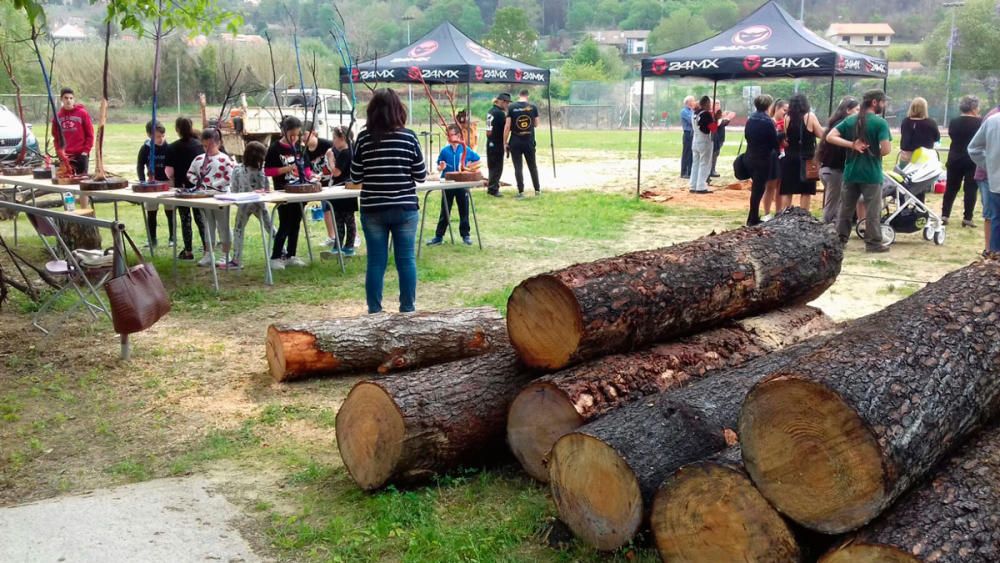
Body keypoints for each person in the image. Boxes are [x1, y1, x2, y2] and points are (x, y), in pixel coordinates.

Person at [349, 89, 427, 313]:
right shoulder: (409, 137)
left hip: (373, 208)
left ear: (372, 112)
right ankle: (407, 308)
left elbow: (355, 177)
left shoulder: (363, 139)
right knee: (406, 260)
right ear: (398, 110)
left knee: (375, 262)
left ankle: (375, 311)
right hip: (404, 208)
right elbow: (420, 175)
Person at [827, 89, 892, 253]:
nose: (884, 106)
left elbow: (830, 136)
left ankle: (840, 241)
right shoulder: (880, 123)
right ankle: (873, 243)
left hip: (851, 171)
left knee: (845, 209)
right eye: (883, 102)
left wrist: (852, 144)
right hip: (871, 173)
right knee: (872, 210)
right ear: (875, 102)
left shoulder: (851, 120)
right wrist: (873, 150)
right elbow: (886, 150)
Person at [265, 116, 311, 270]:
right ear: (284, 131)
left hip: (299, 191)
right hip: (283, 191)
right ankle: (276, 256)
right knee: (285, 223)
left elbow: (307, 168)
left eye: (297, 135)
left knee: (296, 222)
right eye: (292, 135)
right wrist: (287, 169)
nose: (294, 138)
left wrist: (309, 176)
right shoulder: (274, 148)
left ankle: (291, 254)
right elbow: (268, 171)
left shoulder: (299, 147)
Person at [186, 127, 236, 268]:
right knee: (208, 225)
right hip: (204, 197)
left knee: (223, 226)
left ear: (218, 143)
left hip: (221, 198)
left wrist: (214, 184)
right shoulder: (199, 159)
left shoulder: (225, 159)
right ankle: (209, 254)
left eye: (211, 145)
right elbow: (190, 173)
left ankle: (226, 255)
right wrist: (198, 183)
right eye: (205, 146)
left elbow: (230, 176)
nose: (208, 149)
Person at [428, 124, 480, 247]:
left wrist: (468, 166)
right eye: (448, 135)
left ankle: (465, 235)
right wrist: (441, 167)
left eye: (452, 135)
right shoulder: (445, 151)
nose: (449, 137)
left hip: (461, 184)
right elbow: (439, 166)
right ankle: (439, 236)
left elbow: (477, 160)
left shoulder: (465, 149)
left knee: (464, 209)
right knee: (445, 210)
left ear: (458, 136)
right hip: (448, 184)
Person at [164, 117, 208, 261]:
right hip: (198, 186)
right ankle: (207, 248)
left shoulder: (172, 147)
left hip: (182, 187)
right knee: (200, 218)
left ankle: (188, 250)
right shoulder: (200, 145)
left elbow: (169, 172)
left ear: (177, 129)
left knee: (185, 219)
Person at [228, 141, 272, 270]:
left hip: (243, 204)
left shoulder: (237, 170)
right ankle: (282, 251)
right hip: (259, 204)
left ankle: (236, 259)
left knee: (238, 230)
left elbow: (234, 189)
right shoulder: (262, 172)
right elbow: (267, 189)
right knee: (270, 227)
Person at [817, 97, 860, 223]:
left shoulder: (835, 124)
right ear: (848, 110)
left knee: (835, 201)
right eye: (857, 109)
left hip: (827, 169)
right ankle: (826, 227)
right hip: (835, 170)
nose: (859, 113)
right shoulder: (844, 126)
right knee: (833, 204)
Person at [941, 96, 982, 228]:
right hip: (972, 159)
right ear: (974, 108)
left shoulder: (954, 121)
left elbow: (952, 135)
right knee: (970, 189)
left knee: (951, 188)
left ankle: (945, 215)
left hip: (955, 157)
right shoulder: (980, 123)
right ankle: (967, 218)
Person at [780, 94, 824, 211]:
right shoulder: (810, 117)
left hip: (789, 158)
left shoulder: (786, 118)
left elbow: (786, 138)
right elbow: (821, 135)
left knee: (788, 190)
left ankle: (785, 215)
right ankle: (803, 216)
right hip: (807, 158)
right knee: (806, 191)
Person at [53, 87, 95, 206]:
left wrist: (85, 152)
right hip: (66, 156)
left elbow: (90, 135)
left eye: (71, 98)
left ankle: (84, 209)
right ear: (61, 99)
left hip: (81, 153)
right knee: (67, 184)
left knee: (83, 184)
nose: (68, 101)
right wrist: (59, 151)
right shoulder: (58, 117)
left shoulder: (82, 113)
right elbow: (56, 138)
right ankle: (70, 209)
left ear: (74, 99)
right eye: (66, 98)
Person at [136, 120, 174, 248]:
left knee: (170, 210)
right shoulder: (145, 149)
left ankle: (172, 238)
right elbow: (140, 165)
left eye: (163, 136)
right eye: (158, 136)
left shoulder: (169, 147)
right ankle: (152, 238)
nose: (161, 139)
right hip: (152, 183)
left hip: (167, 183)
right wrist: (142, 181)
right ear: (149, 135)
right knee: (151, 211)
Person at [744, 94, 779, 226]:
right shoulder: (767, 121)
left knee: (756, 188)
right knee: (758, 189)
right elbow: (774, 142)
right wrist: (781, 136)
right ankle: (752, 218)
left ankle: (752, 216)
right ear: (768, 106)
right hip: (762, 159)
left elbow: (747, 135)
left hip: (750, 155)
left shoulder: (750, 119)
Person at [969, 107, 1000, 253]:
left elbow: (974, 149)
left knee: (996, 220)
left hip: (996, 182)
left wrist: (989, 166)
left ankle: (994, 256)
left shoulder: (992, 121)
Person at [327, 126, 358, 257]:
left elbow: (336, 172)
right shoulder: (349, 151)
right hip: (342, 189)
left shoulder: (345, 153)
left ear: (342, 138)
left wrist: (330, 159)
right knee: (340, 218)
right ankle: (340, 245)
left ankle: (348, 245)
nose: (333, 141)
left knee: (346, 219)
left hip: (343, 189)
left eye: (334, 138)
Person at [504, 89, 541, 198]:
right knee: (532, 166)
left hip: (515, 140)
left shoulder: (511, 107)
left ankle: (521, 191)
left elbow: (507, 127)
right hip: (529, 140)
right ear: (527, 96)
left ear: (519, 95)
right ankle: (537, 190)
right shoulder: (533, 107)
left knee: (518, 167)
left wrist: (505, 142)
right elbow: (536, 124)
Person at [763, 98, 788, 219]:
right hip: (773, 157)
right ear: (777, 108)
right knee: (770, 186)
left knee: (781, 187)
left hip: (784, 156)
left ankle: (779, 213)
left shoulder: (787, 123)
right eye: (784, 110)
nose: (786, 113)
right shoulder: (770, 122)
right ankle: (767, 213)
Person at [900, 97, 940, 164]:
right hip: (925, 157)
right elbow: (937, 138)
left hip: (906, 157)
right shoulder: (931, 123)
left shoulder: (905, 122)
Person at [485, 93, 511, 197]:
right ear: (501, 101)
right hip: (497, 142)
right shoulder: (500, 114)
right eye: (506, 102)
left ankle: (491, 186)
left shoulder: (491, 111)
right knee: (497, 167)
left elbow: (489, 129)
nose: (507, 105)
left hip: (490, 141)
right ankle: (493, 188)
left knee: (492, 166)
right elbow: (507, 127)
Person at [690, 96, 716, 194]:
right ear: (706, 104)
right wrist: (716, 120)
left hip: (695, 139)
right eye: (709, 103)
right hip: (704, 140)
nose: (710, 105)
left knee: (695, 163)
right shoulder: (706, 114)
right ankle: (701, 186)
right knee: (705, 163)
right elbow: (713, 129)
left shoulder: (695, 113)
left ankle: (693, 184)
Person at [710, 101, 735, 179]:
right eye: (716, 104)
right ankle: (711, 170)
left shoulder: (718, 114)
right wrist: (727, 118)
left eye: (719, 104)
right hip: (714, 137)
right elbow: (716, 125)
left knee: (716, 154)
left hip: (720, 137)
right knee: (713, 154)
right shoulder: (712, 114)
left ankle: (712, 169)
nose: (718, 106)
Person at [680, 95, 696, 179]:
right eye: (692, 101)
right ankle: (684, 172)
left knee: (692, 153)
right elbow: (691, 121)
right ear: (688, 102)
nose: (694, 102)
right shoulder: (684, 111)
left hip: (693, 134)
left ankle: (690, 171)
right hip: (687, 133)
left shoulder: (693, 111)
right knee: (686, 153)